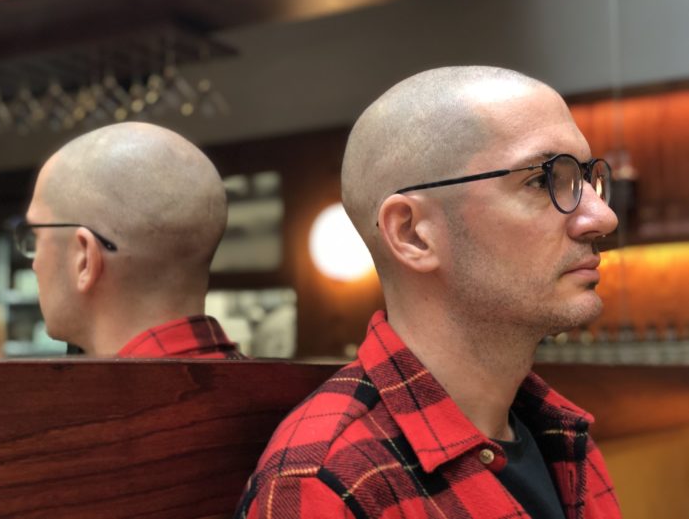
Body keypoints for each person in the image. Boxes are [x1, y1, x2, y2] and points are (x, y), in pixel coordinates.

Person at [235, 67, 622, 518]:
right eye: (542, 180)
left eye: (585, 178)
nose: (603, 217)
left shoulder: (566, 439)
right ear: (413, 233)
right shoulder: (328, 485)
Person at [17, 122, 244, 359]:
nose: (34, 264)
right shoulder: (257, 378)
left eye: (36, 237)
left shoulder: (122, 384)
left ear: (84, 259)